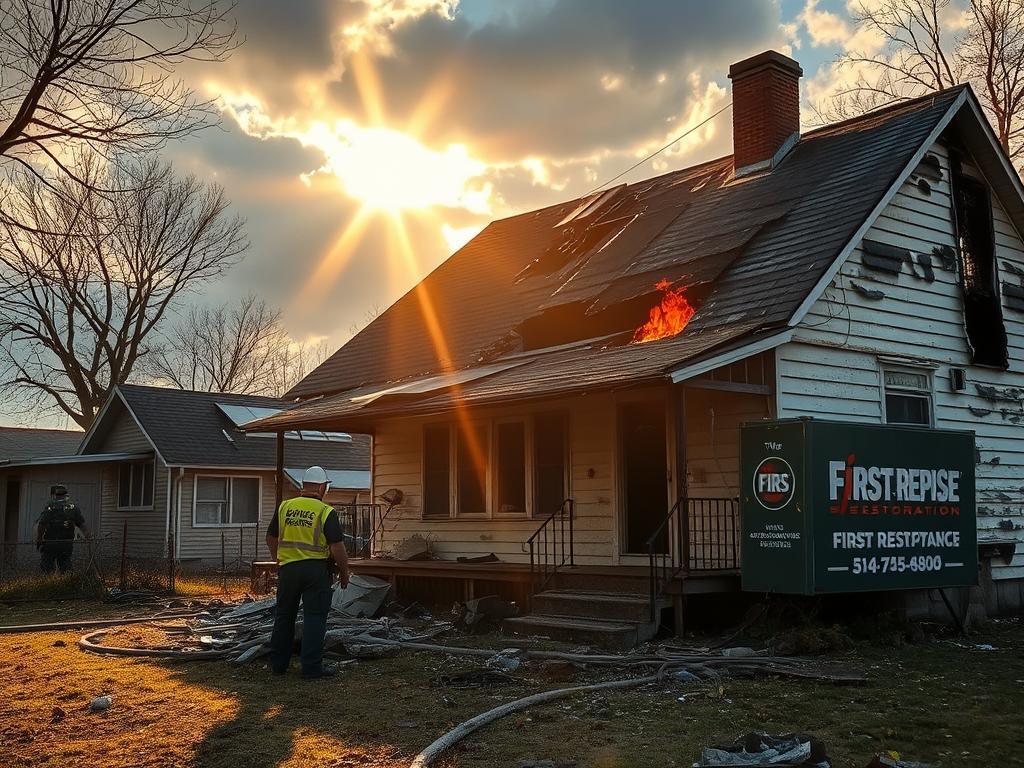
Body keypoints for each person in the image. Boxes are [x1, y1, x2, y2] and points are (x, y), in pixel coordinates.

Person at [266, 465, 350, 679]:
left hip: (288, 569)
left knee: (284, 616)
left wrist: (279, 559)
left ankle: (278, 664)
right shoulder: (325, 511)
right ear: (322, 487)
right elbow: (337, 546)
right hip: (316, 571)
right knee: (315, 618)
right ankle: (311, 668)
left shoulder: (284, 507)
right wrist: (344, 572)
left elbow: (271, 538)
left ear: (304, 485)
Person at [35, 484, 90, 575]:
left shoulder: (50, 506)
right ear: (65, 494)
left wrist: (39, 538)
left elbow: (42, 524)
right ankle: (66, 584)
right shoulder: (73, 507)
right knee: (65, 565)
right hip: (66, 542)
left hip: (51, 542)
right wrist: (88, 536)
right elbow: (82, 524)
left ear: (53, 495)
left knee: (47, 567)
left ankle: (48, 585)